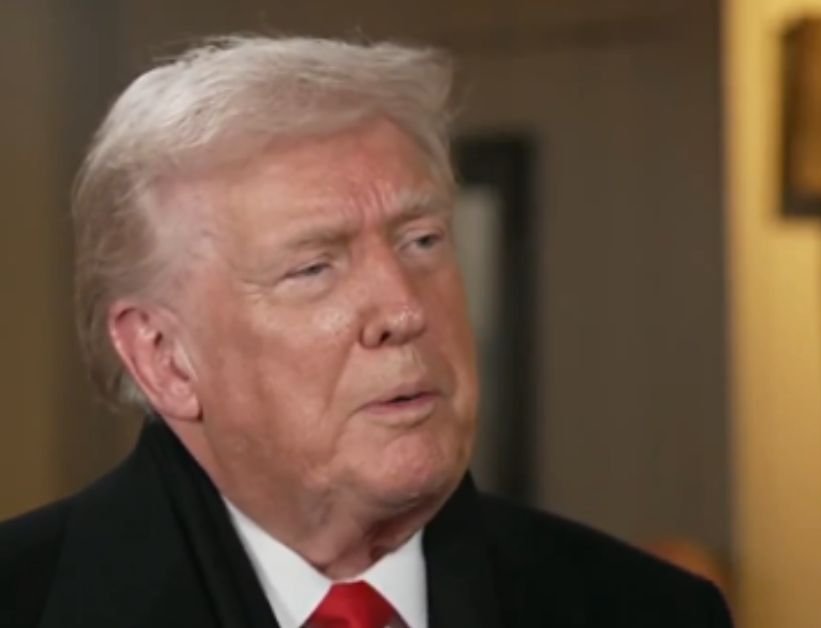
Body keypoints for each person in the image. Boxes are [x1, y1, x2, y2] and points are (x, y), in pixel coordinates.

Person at [0, 36, 732, 628]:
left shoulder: (649, 611)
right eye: (315, 267)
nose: (404, 310)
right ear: (165, 359)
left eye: (421, 242)